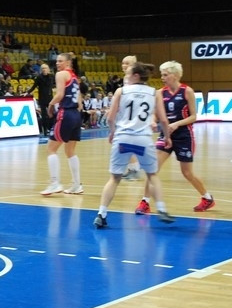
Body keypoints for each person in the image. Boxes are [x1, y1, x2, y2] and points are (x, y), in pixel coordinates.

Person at [94, 62, 175, 228]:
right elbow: (164, 120)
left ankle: (101, 214)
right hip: (143, 140)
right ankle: (161, 209)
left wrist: (112, 132)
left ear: (136, 76)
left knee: (114, 178)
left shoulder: (121, 91)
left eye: (128, 73)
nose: (125, 76)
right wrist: (167, 137)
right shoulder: (154, 93)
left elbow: (110, 117)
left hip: (123, 138)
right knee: (152, 175)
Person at [135, 61, 216, 215]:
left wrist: (177, 124)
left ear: (175, 75)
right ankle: (145, 202)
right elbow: (155, 113)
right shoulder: (159, 93)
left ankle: (207, 198)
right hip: (166, 134)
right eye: (162, 75)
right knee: (152, 168)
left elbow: (193, 116)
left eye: (165, 75)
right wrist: (153, 121)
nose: (162, 78)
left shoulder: (187, 91)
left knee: (187, 173)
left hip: (184, 135)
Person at [40, 52, 83, 196]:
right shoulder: (75, 77)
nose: (57, 63)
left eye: (60, 61)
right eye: (56, 61)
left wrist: (50, 105)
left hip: (66, 113)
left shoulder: (61, 74)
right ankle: (77, 185)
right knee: (70, 151)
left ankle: (55, 183)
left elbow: (59, 95)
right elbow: (79, 101)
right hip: (76, 115)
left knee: (51, 149)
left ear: (68, 63)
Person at [26, 63, 55, 134]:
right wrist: (27, 92)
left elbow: (55, 84)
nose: (44, 70)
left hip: (50, 98)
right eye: (42, 68)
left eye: (45, 68)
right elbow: (34, 86)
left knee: (51, 114)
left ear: (48, 69)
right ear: (41, 70)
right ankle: (45, 130)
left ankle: (52, 128)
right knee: (44, 115)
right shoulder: (39, 77)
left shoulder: (52, 77)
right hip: (42, 98)